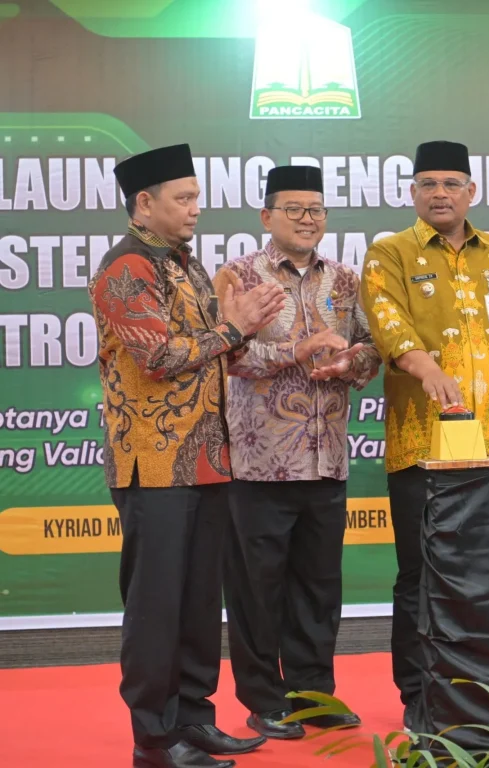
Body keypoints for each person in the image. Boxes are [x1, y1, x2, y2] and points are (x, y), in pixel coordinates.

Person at [88, 144, 284, 768]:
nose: (196, 209)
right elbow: (162, 356)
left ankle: (195, 721)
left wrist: (240, 331)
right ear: (144, 204)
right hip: (153, 465)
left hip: (206, 458)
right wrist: (234, 327)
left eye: (197, 197)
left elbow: (211, 352)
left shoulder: (187, 266)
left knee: (201, 602)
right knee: (157, 607)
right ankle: (153, 737)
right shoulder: (126, 269)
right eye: (184, 199)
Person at [359, 140, 489, 729]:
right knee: (423, 575)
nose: (440, 194)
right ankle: (422, 700)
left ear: (472, 191)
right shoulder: (389, 252)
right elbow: (388, 323)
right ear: (412, 192)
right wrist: (427, 370)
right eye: (428, 184)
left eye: (451, 183)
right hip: (425, 444)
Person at [213, 166, 381, 741]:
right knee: (257, 590)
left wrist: (348, 363)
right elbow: (229, 358)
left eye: (316, 209)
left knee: (318, 586)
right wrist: (299, 348)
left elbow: (370, 351)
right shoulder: (238, 276)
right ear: (267, 216)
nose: (308, 219)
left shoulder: (345, 279)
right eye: (294, 209)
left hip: (325, 456)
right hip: (259, 462)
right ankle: (263, 699)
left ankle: (313, 694)